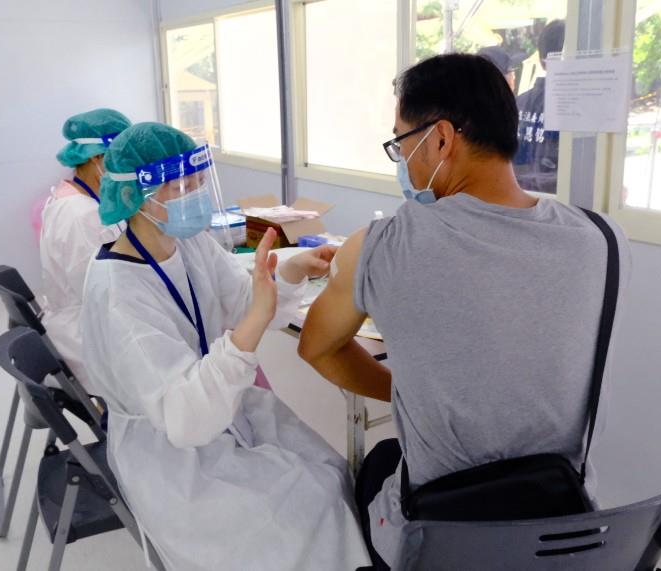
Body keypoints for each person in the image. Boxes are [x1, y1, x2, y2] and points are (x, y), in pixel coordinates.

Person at [297, 53, 630, 569]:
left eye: (401, 142)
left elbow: (316, 347)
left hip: (442, 539)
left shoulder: (382, 246)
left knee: (371, 466)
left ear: (441, 139)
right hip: (566, 533)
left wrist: (408, 394)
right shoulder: (604, 240)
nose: (402, 160)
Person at [80, 122, 370, 570]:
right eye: (182, 186)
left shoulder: (187, 243)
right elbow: (184, 420)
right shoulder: (119, 294)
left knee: (330, 472)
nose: (196, 194)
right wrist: (252, 322)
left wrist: (291, 271)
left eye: (199, 181)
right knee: (306, 512)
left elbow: (239, 299)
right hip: (172, 451)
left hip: (223, 408)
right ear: (136, 195)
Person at [39, 108, 131, 390]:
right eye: (120, 157)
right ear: (96, 157)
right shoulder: (81, 215)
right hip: (87, 337)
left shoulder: (70, 196)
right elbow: (100, 292)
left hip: (74, 320)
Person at [513, 19, 565, 194]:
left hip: (519, 199)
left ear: (542, 62)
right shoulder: (574, 111)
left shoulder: (517, 105)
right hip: (559, 202)